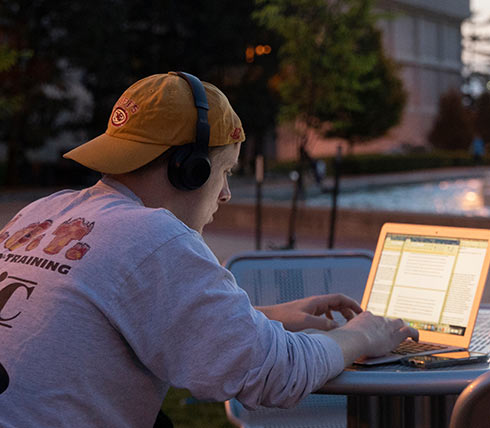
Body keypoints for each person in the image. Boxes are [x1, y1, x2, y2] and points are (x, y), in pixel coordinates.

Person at [0, 72, 417, 427]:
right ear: (189, 169)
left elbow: (115, 314)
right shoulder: (152, 235)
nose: (226, 194)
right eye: (225, 172)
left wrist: (263, 318)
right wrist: (361, 335)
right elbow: (275, 375)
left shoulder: (41, 213)